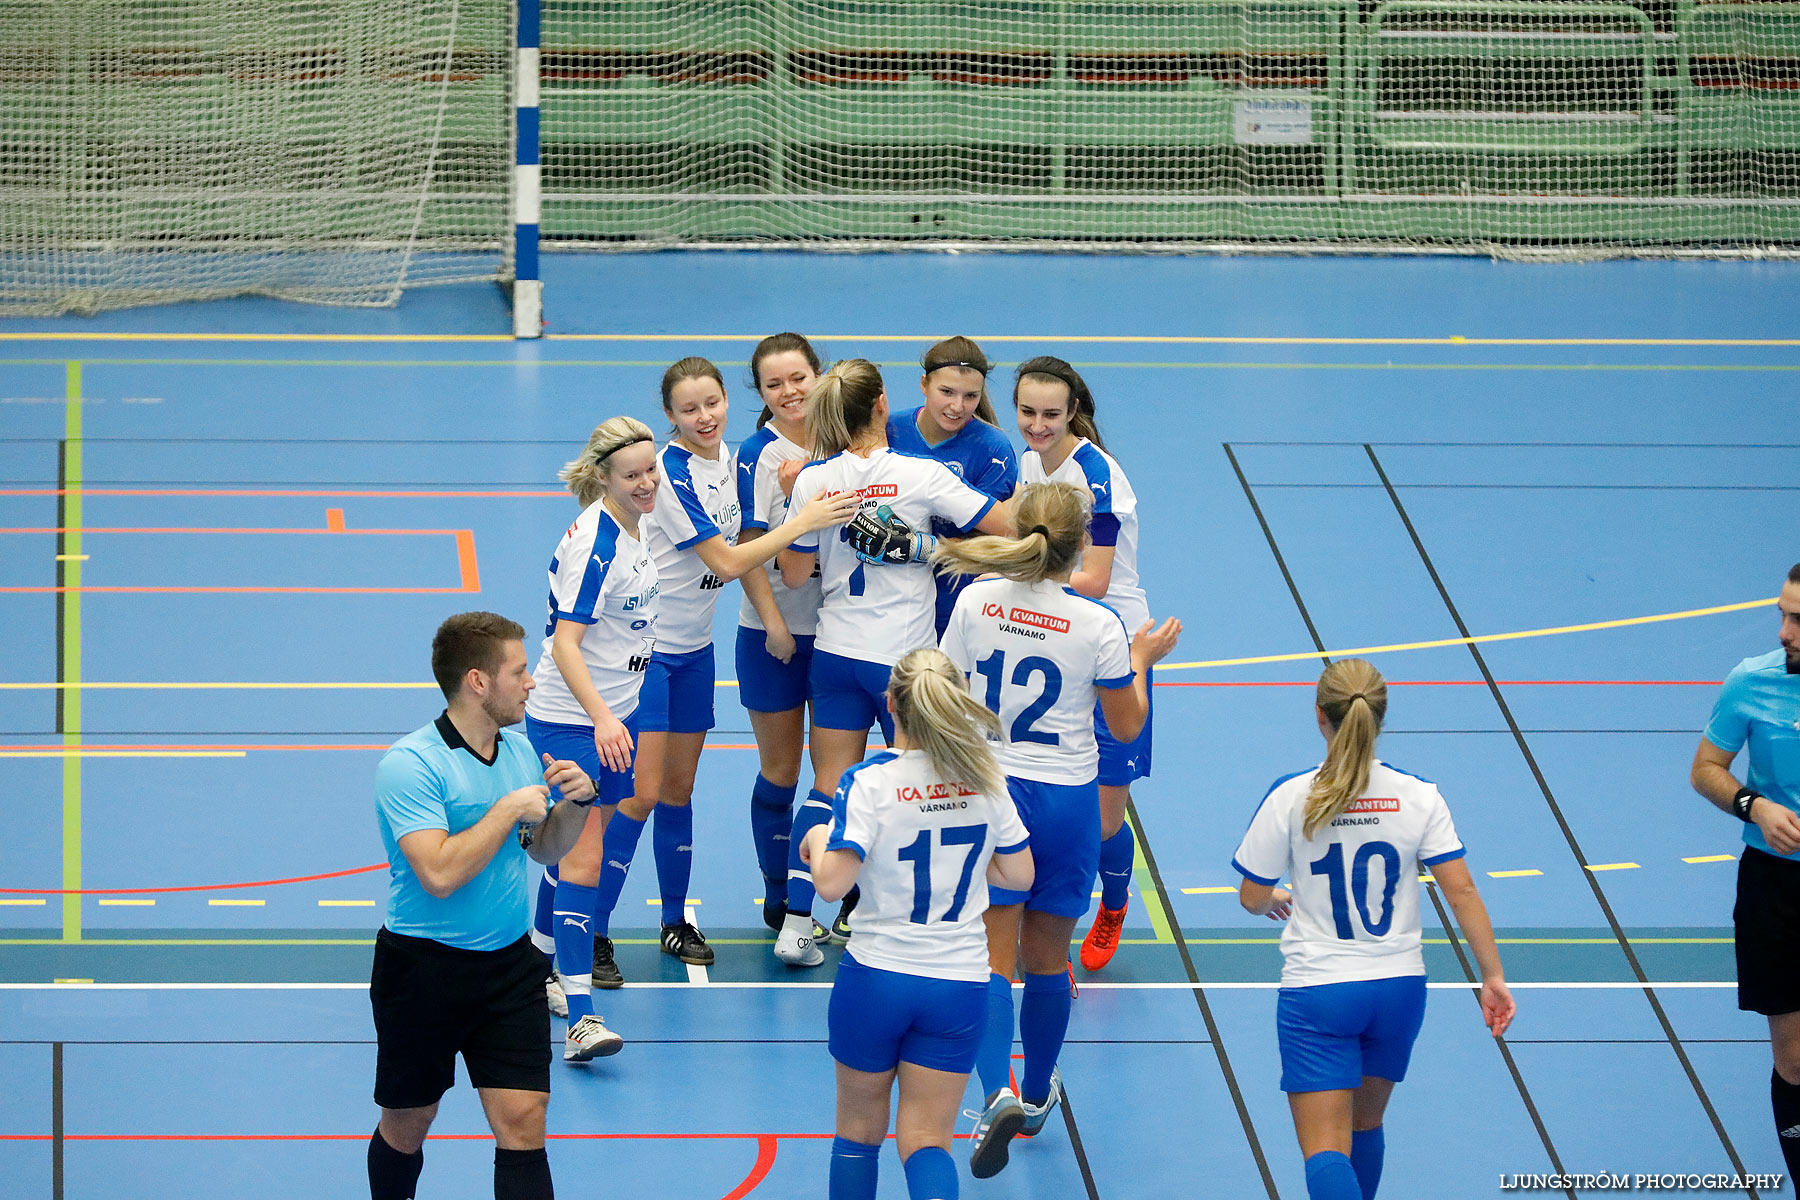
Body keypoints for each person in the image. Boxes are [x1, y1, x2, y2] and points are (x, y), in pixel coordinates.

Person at [576, 358, 856, 986]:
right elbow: (728, 560)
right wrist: (802, 521)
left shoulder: (733, 463)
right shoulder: (670, 475)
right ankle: (592, 931)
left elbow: (750, 549)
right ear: (671, 417)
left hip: (695, 651)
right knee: (640, 794)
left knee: (677, 793)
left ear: (729, 402)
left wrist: (775, 614)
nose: (704, 417)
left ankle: (674, 920)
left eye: (712, 403)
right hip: (646, 656)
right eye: (688, 409)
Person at [935, 481, 1182, 1176]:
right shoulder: (1097, 623)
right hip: (1065, 802)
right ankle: (1038, 1092)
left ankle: (996, 1095)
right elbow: (1126, 725)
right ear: (1077, 550)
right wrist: (1141, 659)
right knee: (1046, 960)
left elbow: (945, 691)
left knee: (988, 958)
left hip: (989, 792)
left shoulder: (977, 600)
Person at [1232, 658, 1514, 1200]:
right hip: (1399, 990)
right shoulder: (1419, 795)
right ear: (1379, 717)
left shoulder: (1292, 795)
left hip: (1320, 992)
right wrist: (1492, 974)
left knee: (1325, 1150)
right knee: (1365, 1128)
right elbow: (1463, 891)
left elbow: (1251, 897)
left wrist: (1274, 897)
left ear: (1320, 715)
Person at [771, 358, 1017, 968]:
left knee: (828, 787)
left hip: (834, 652)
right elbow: (1011, 528)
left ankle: (797, 924)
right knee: (917, 784)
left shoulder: (812, 481)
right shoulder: (919, 473)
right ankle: (892, 915)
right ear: (884, 404)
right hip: (901, 666)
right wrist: (928, 549)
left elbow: (796, 573)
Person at [369, 611, 596, 1200]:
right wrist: (505, 810)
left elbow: (544, 850)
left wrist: (575, 805)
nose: (531, 683)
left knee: (523, 1119)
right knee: (408, 1123)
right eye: (519, 671)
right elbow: (438, 873)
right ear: (478, 681)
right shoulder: (410, 765)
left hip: (508, 967)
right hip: (422, 972)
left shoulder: (519, 753)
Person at [798, 647, 1034, 1200]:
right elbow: (1020, 875)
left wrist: (813, 843)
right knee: (928, 1141)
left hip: (877, 978)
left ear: (890, 704)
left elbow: (831, 885)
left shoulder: (870, 782)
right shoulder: (984, 776)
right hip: (958, 983)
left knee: (858, 1134)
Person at [522, 415, 662, 1062]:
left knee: (576, 851)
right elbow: (564, 645)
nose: (646, 482)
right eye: (632, 475)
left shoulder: (636, 526)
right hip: (574, 719)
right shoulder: (596, 543)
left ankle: (537, 962)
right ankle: (581, 1018)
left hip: (615, 713)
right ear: (603, 476)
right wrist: (604, 718)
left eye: (651, 469)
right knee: (583, 858)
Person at [1011, 357, 1152, 973]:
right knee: (1048, 794)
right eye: (1027, 413)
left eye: (1050, 415)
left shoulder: (1097, 476)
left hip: (1106, 639)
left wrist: (1008, 570)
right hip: (1048, 632)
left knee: (1101, 814)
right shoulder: (1026, 462)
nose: (1037, 427)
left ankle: (1114, 904)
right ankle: (1048, 942)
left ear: (1073, 413)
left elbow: (1093, 579)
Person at [1690, 563, 1800, 1183]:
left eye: (1799, 619)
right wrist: (1751, 804)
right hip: (1776, 886)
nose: (1784, 631)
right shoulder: (1751, 682)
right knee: (1795, 1062)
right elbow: (1706, 767)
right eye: (1782, 614)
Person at [735, 333, 827, 932]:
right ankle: (777, 891)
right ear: (762, 394)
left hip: (845, 634)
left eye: (798, 378)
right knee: (781, 770)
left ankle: (830, 891)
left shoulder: (845, 438)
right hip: (775, 635)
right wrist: (774, 625)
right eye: (775, 384)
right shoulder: (756, 455)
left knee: (834, 769)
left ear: (818, 375)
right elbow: (747, 549)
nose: (790, 392)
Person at [884, 336, 1018, 638]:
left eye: (971, 396)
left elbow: (992, 540)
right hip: (891, 603)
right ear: (924, 384)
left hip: (959, 604)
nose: (957, 406)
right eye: (946, 392)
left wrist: (919, 547)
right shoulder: (888, 430)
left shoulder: (993, 448)